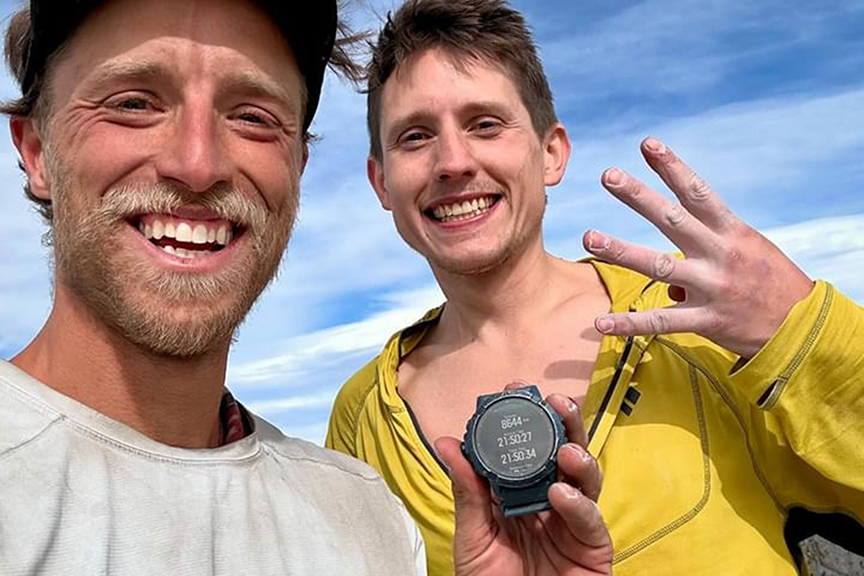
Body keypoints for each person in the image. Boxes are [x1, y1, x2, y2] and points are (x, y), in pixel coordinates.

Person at [0, 1, 613, 575]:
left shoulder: (367, 519)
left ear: (296, 170)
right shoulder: (366, 421)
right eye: (134, 103)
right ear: (36, 151)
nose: (198, 163)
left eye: (252, 117)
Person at [325, 0, 864, 574]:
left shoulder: (703, 319)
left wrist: (804, 333)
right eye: (414, 136)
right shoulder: (363, 418)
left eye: (485, 123)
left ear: (551, 152)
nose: (453, 161)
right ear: (382, 181)